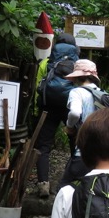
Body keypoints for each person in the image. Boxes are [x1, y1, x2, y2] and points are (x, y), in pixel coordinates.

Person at [34, 32, 80, 197]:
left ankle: (43, 185)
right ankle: (73, 183)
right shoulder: (78, 64)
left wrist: (35, 110)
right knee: (76, 145)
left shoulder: (46, 63)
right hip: (71, 106)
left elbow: (37, 88)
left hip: (48, 106)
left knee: (43, 146)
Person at [57, 58, 101, 190]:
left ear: (77, 77)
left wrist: (69, 127)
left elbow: (75, 113)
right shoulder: (101, 94)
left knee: (64, 188)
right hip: (102, 153)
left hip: (83, 152)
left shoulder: (76, 92)